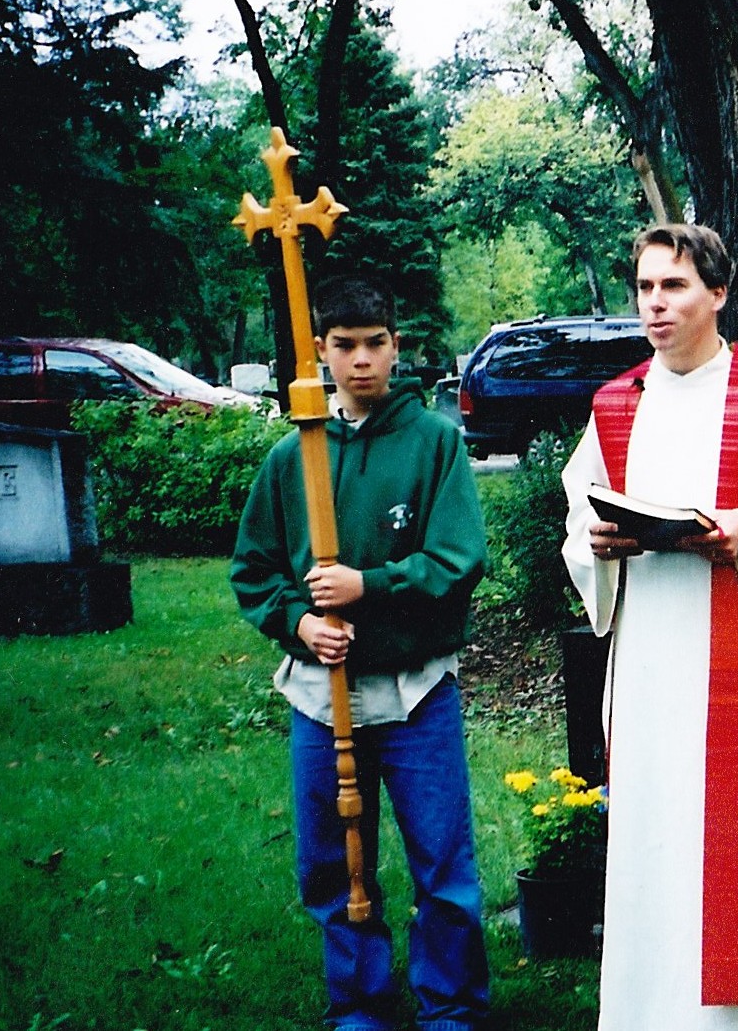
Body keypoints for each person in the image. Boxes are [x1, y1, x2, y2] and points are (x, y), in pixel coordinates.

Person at [560, 224, 738, 1030]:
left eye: (675, 287)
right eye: (646, 287)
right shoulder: (616, 406)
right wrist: (600, 541)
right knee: (654, 845)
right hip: (650, 659)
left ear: (718, 295)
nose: (655, 304)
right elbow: (578, 512)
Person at [230, 277, 489, 1031]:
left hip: (415, 692)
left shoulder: (433, 442)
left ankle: (451, 1008)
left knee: (442, 861)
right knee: (335, 861)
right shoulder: (293, 456)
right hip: (322, 695)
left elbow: (457, 558)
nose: (362, 361)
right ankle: (360, 1005)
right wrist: (300, 624)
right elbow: (255, 569)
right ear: (322, 352)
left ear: (396, 346)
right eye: (344, 346)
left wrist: (365, 585)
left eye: (376, 344)